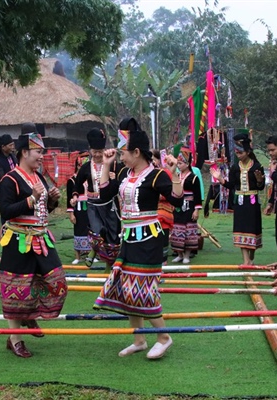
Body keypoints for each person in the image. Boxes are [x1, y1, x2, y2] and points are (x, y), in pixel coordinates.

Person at [93, 117, 184, 360]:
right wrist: (106, 165)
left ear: (136, 152)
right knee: (127, 288)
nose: (121, 157)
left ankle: (163, 337)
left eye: (124, 153)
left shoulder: (156, 176)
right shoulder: (124, 172)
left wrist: (174, 172)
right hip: (128, 237)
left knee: (143, 289)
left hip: (149, 240)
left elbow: (176, 200)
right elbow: (104, 192)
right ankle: (139, 339)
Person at [0, 130, 66, 358]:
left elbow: (42, 210)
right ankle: (15, 339)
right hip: (18, 241)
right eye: (38, 152)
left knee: (56, 281)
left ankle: (29, 314)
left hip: (42, 239)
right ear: (24, 153)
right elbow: (6, 211)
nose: (42, 156)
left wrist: (52, 200)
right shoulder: (9, 180)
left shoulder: (39, 178)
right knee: (16, 290)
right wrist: (32, 198)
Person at [71, 128, 122, 270]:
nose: (98, 154)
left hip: (110, 204)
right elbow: (77, 184)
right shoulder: (86, 167)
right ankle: (94, 250)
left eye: (100, 151)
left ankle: (109, 266)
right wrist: (75, 196)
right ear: (90, 151)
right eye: (95, 151)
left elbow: (121, 183)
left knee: (112, 235)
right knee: (97, 232)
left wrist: (114, 179)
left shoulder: (113, 165)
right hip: (93, 205)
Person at [211, 132, 265, 265]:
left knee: (252, 230)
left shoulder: (257, 167)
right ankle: (246, 261)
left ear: (248, 152)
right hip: (240, 203)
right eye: (237, 153)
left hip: (252, 202)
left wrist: (259, 181)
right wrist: (220, 179)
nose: (238, 155)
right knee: (241, 229)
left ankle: (251, 256)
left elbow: (261, 187)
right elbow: (231, 185)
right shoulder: (235, 167)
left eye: (240, 152)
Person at [170, 146, 202, 264]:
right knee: (177, 229)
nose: (178, 166)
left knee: (188, 230)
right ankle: (179, 254)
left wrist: (196, 210)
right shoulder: (177, 176)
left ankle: (187, 255)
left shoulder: (194, 178)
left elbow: (197, 195)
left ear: (187, 164)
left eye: (181, 163)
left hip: (189, 207)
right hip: (178, 207)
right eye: (178, 163)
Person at [66, 151, 92, 264]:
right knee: (78, 230)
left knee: (91, 230)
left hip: (90, 207)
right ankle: (77, 256)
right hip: (79, 208)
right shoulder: (72, 180)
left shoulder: (91, 179)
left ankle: (91, 254)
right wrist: (71, 214)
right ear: (77, 165)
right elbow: (69, 198)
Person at [152, 150, 174, 266]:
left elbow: (171, 193)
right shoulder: (142, 174)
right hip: (147, 215)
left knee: (163, 241)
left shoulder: (165, 173)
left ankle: (163, 265)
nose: (152, 162)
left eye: (153, 159)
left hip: (163, 213)